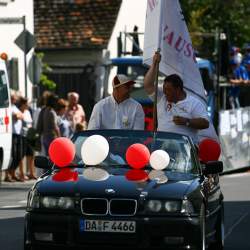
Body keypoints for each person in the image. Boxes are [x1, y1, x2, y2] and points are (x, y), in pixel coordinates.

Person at [143, 52, 209, 144]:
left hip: (184, 148)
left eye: (168, 90)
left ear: (178, 89)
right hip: (162, 146)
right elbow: (147, 85)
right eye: (164, 89)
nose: (165, 92)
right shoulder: (161, 98)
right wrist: (154, 64)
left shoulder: (194, 103)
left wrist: (187, 121)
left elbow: (205, 123)